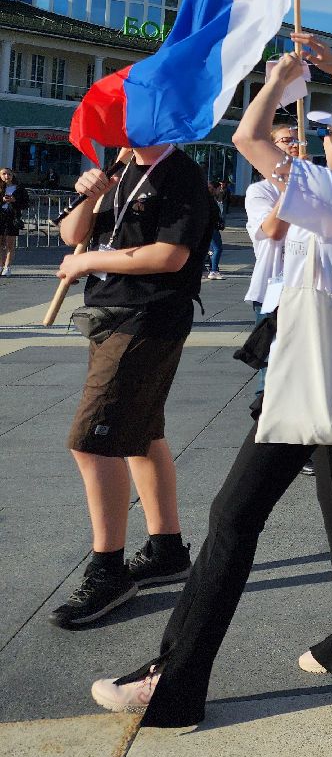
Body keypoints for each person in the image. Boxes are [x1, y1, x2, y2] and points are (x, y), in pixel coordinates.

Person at [89, 36, 332, 724]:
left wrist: (278, 79)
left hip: (309, 371)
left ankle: (172, 684)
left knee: (233, 520)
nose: (320, 143)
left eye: (328, 136)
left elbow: (246, 137)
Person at [48, 142, 213, 628]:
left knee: (92, 441)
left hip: (148, 317)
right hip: (112, 315)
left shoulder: (179, 173)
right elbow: (71, 235)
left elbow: (171, 255)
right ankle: (166, 548)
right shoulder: (119, 168)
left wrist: (85, 265)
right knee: (142, 433)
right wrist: (90, 194)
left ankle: (108, 570)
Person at [243, 123, 303, 397]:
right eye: (287, 140)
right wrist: (292, 186)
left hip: (308, 284)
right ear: (270, 147)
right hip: (274, 288)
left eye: (298, 140)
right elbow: (273, 230)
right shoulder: (260, 191)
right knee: (271, 368)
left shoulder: (313, 186)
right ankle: (263, 419)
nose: (294, 145)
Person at [0, 166, 30, 276]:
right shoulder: (0, 188)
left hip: (12, 217)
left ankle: (7, 267)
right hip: (1, 216)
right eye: (4, 174)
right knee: (0, 243)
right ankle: (0, 265)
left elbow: (26, 203)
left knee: (10, 244)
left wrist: (14, 200)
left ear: (13, 175)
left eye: (9, 174)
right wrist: (2, 200)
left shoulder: (19, 188)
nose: (6, 176)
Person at [205, 179, 228, 280]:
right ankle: (213, 270)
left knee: (211, 249)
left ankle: (211, 269)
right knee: (217, 248)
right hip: (212, 227)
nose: (220, 190)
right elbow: (212, 214)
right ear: (215, 188)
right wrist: (218, 221)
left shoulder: (207, 198)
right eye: (219, 188)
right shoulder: (210, 200)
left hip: (209, 227)